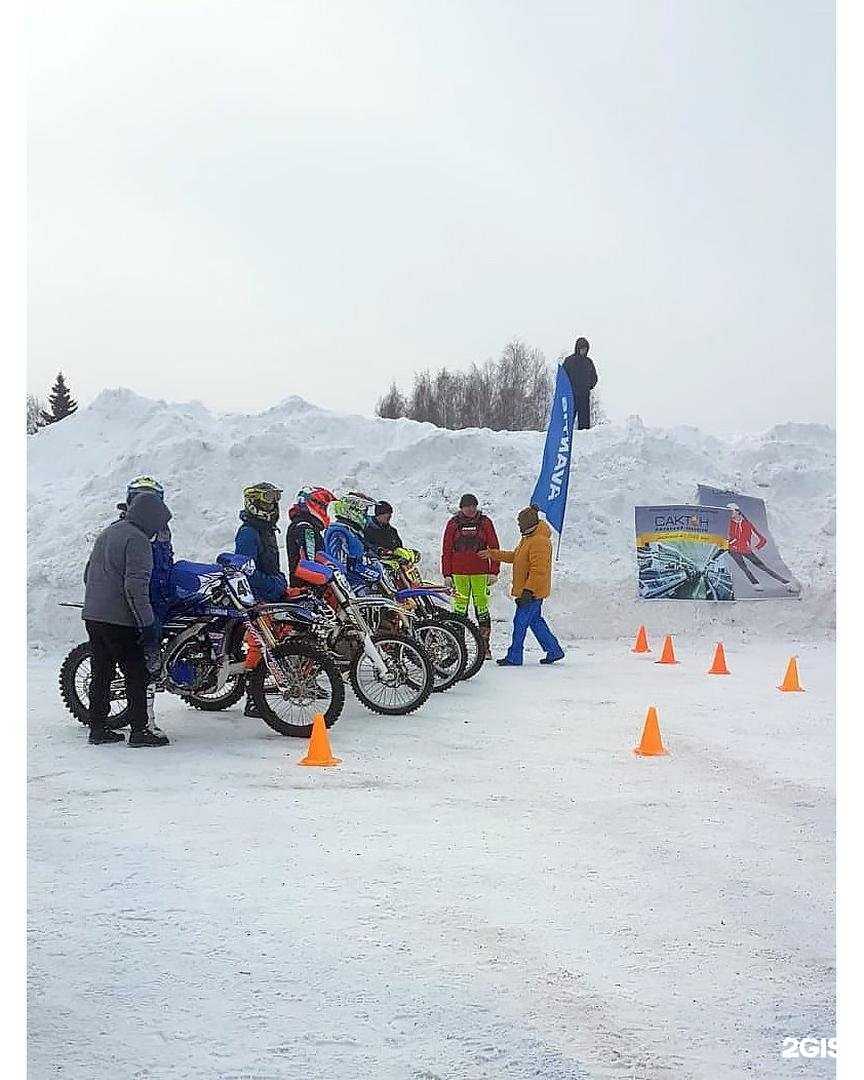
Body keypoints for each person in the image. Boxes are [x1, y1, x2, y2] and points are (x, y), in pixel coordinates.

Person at [82, 491, 173, 746]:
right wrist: (147, 623)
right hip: (119, 620)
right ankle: (139, 730)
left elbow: (88, 574)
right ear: (149, 519)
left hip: (94, 615)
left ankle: (97, 728)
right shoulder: (138, 540)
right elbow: (136, 588)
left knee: (102, 671)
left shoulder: (110, 532)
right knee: (136, 673)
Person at [480, 504, 564, 666]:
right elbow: (515, 557)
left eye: (520, 522)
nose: (518, 525)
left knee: (520, 623)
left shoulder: (539, 541)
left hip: (532, 593)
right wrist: (492, 554)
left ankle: (515, 656)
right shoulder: (528, 538)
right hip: (530, 591)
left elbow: (538, 570)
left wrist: (527, 591)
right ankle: (554, 650)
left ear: (528, 523)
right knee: (536, 622)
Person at [235, 482, 289, 717]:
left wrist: (279, 581)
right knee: (260, 643)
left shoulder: (266, 529)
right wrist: (273, 584)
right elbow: (246, 569)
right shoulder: (249, 532)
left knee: (276, 639)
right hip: (255, 596)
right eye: (268, 499)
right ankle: (253, 697)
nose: (273, 504)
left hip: (269, 592)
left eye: (275, 499)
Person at [441, 494, 499, 659]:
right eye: (467, 506)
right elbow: (446, 549)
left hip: (480, 573)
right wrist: (447, 574)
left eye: (473, 506)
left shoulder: (485, 522)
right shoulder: (453, 523)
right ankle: (457, 646)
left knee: (482, 607)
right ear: (461, 507)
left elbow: (494, 546)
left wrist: (494, 571)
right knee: (460, 609)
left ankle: (484, 647)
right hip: (459, 573)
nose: (471, 509)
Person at [726, 503, 798, 593]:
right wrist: (729, 543)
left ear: (737, 511)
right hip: (733, 550)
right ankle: (756, 584)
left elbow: (762, 539)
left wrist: (756, 547)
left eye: (730, 511)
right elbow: (725, 537)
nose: (728, 514)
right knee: (744, 568)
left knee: (763, 567)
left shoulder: (747, 524)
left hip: (746, 549)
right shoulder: (728, 524)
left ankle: (786, 583)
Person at [285, 487, 335, 584]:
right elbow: (308, 562)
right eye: (324, 507)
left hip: (309, 586)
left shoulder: (305, 525)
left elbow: (317, 556)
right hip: (307, 589)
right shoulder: (305, 527)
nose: (325, 511)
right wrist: (331, 572)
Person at [562, 336, 598, 430]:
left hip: (584, 396)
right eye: (582, 349)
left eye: (585, 349)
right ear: (577, 348)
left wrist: (588, 386)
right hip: (571, 395)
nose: (584, 351)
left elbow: (594, 378)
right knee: (567, 422)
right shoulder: (569, 361)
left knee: (584, 424)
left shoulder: (588, 362)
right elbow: (563, 377)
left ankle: (584, 440)